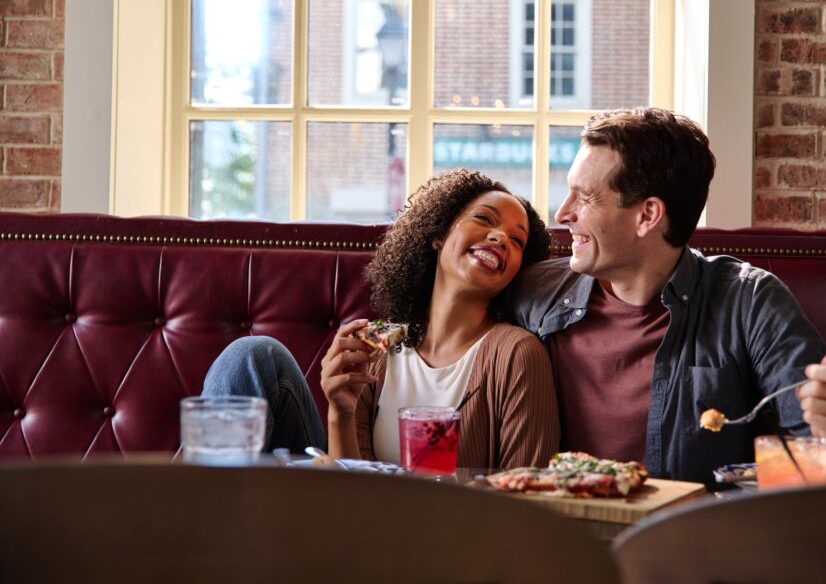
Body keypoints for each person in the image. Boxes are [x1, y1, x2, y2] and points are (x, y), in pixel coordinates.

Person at [510, 107, 826, 484]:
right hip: (562, 539)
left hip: (691, 544)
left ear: (647, 215)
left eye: (585, 196)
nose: (563, 213)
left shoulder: (749, 302)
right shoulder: (534, 294)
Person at [204, 169, 560, 469]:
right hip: (362, 525)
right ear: (438, 234)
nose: (500, 238)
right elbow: (353, 495)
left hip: (451, 539)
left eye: (517, 240)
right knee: (253, 356)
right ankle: (186, 523)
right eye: (484, 219)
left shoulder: (517, 354)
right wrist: (340, 412)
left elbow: (527, 497)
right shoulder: (380, 348)